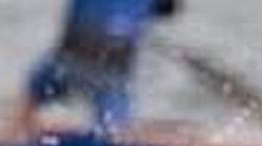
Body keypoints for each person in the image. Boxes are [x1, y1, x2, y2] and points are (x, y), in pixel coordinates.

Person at [14, 0, 183, 135]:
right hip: (106, 74)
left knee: (35, 87)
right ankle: (114, 135)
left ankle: (20, 126)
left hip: (70, 63)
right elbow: (168, 9)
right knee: (114, 130)